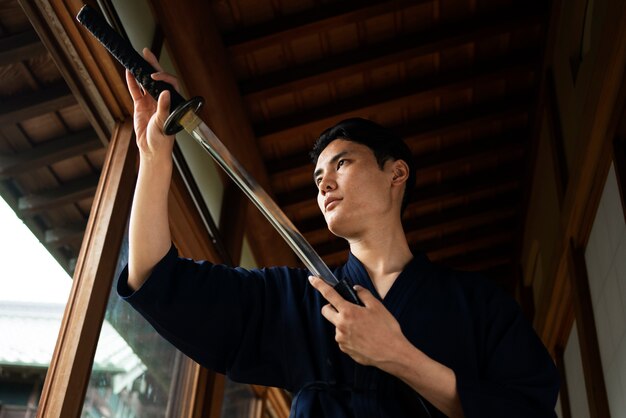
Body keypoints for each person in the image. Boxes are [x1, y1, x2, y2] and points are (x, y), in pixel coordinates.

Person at [117, 49, 560, 418]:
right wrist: (154, 156)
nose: (324, 184)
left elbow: (529, 408)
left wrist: (399, 356)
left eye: (342, 164)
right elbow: (156, 279)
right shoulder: (296, 298)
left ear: (397, 173)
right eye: (317, 179)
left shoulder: (478, 304)